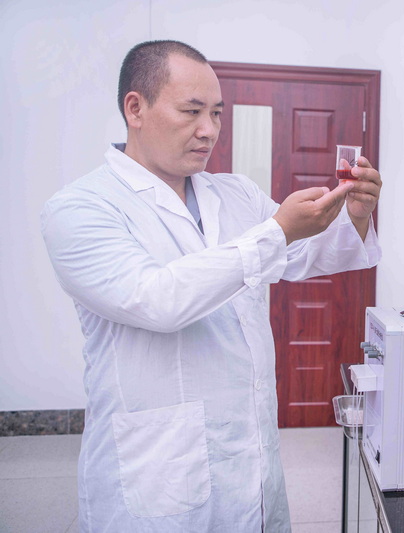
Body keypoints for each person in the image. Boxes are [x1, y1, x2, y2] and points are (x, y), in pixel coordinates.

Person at [40, 40, 382, 532]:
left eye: (217, 113)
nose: (209, 130)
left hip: (251, 454)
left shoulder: (235, 193)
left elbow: (302, 254)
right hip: (158, 465)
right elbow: (157, 299)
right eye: (192, 111)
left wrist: (356, 214)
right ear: (135, 108)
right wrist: (277, 231)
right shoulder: (81, 208)